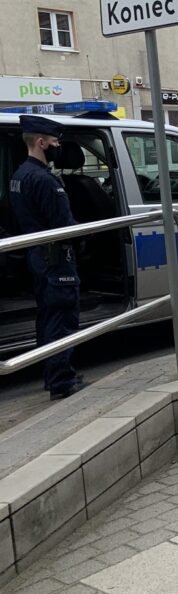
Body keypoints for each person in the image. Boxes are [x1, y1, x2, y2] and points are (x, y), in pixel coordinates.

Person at [9, 115, 85, 399]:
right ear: (41, 143)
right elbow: (63, 225)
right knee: (62, 318)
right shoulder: (45, 180)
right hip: (56, 258)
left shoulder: (19, 176)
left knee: (47, 317)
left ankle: (52, 375)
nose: (58, 146)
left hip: (38, 257)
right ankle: (61, 381)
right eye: (55, 142)